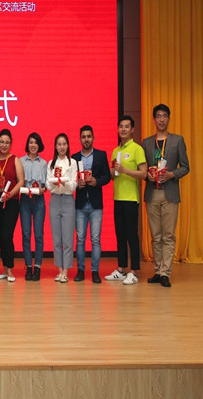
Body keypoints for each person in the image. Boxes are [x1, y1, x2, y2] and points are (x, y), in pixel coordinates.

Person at [142, 104, 190, 288]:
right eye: (158, 116)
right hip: (152, 193)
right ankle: (157, 270)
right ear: (154, 120)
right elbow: (143, 169)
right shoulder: (147, 143)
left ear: (169, 118)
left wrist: (171, 175)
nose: (161, 119)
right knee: (156, 235)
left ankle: (165, 273)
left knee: (168, 235)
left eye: (164, 116)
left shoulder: (178, 140)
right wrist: (147, 175)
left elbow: (185, 167)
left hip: (170, 192)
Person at [106, 115, 147, 285]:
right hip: (118, 198)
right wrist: (111, 173)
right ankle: (121, 269)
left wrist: (124, 170)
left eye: (126, 126)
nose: (123, 129)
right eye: (121, 126)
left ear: (132, 130)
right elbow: (114, 176)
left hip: (131, 199)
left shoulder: (137, 149)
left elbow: (143, 173)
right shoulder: (116, 151)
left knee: (132, 235)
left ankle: (134, 271)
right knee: (120, 235)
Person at [72, 126, 111, 284]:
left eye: (89, 136)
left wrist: (97, 181)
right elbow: (70, 179)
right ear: (80, 139)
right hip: (80, 204)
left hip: (96, 204)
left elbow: (107, 176)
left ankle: (95, 271)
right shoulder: (74, 158)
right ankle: (80, 270)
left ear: (93, 138)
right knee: (80, 239)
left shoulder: (101, 155)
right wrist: (77, 184)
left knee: (95, 239)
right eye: (83, 137)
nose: (86, 139)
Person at [46, 133, 78, 283]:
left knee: (68, 239)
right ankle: (59, 270)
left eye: (64, 144)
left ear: (68, 145)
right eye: (59, 144)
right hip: (54, 200)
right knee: (56, 238)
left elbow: (74, 185)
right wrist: (56, 183)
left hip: (68, 200)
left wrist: (63, 182)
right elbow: (48, 184)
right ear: (55, 146)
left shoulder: (72, 163)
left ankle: (66, 271)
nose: (62, 147)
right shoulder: (51, 163)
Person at [0, 129, 24, 282]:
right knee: (1, 236)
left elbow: (21, 181)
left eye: (7, 142)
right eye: (1, 142)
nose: (4, 145)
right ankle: (5, 269)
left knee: (7, 235)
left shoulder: (15, 160)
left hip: (11, 202)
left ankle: (10, 269)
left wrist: (10, 194)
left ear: (11, 144)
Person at [19, 132, 47, 281]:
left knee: (38, 235)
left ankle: (38, 267)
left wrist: (44, 189)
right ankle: (28, 266)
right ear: (27, 144)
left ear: (39, 145)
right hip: (24, 199)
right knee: (26, 234)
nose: (33, 145)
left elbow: (47, 183)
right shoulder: (20, 161)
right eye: (31, 142)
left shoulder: (44, 163)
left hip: (39, 200)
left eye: (36, 142)